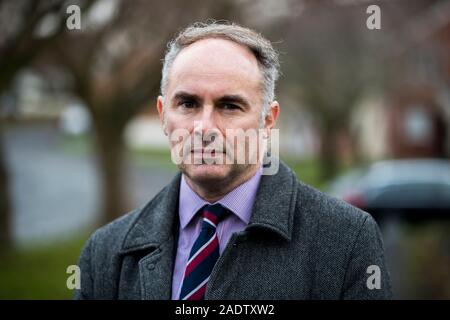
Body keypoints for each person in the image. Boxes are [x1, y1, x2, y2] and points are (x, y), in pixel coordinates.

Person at [74, 21, 391, 300]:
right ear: (162, 115)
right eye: (187, 103)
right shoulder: (104, 255)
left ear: (268, 120)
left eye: (229, 106)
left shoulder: (347, 242)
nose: (205, 128)